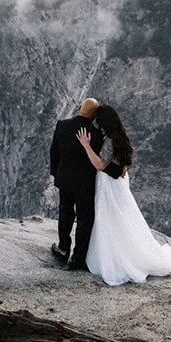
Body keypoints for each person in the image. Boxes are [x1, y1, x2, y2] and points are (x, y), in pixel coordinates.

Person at [74, 103, 171, 286]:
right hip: (118, 182)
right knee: (120, 216)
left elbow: (100, 165)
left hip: (109, 183)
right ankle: (125, 250)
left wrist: (86, 146)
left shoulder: (109, 140)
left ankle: (115, 255)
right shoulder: (119, 137)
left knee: (110, 216)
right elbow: (121, 163)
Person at [49, 97, 103, 270]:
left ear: (80, 108)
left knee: (65, 212)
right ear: (94, 116)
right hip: (85, 183)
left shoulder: (62, 126)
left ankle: (63, 248)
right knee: (84, 219)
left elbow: (54, 152)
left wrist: (56, 174)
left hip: (65, 178)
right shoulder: (96, 134)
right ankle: (78, 258)